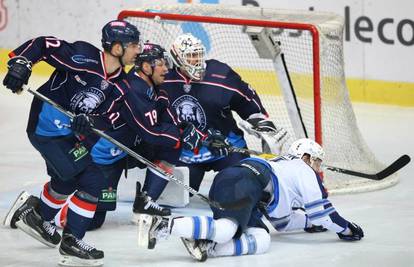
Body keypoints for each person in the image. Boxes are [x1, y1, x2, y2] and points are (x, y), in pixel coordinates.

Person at [4, 41, 206, 237]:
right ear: (146, 67)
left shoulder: (153, 88)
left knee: (169, 146)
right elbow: (150, 132)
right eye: (161, 64)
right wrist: (180, 135)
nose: (166, 69)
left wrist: (188, 130)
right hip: (101, 154)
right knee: (93, 218)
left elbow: (165, 116)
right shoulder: (133, 90)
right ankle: (32, 210)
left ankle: (146, 200)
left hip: (120, 152)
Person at [145, 138, 364, 261]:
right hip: (244, 181)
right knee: (226, 230)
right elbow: (322, 213)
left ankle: (206, 245)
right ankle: (163, 225)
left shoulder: (285, 171)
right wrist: (347, 228)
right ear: (306, 157)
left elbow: (282, 222)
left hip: (243, 185)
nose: (318, 168)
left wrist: (309, 223)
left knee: (261, 239)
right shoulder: (303, 169)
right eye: (317, 162)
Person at [156, 33, 288, 195]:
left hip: (226, 147)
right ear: (177, 59)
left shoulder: (220, 74)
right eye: (190, 56)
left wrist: (259, 122)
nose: (197, 60)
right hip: (187, 153)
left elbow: (246, 99)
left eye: (198, 55)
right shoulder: (163, 77)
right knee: (177, 196)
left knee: (242, 188)